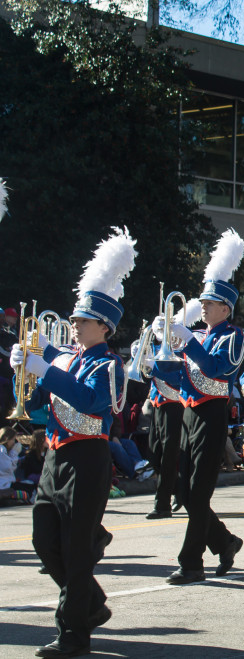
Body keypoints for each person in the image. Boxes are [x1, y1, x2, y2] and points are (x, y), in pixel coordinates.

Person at [11, 228, 137, 658]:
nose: (73, 324)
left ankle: (73, 636)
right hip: (55, 457)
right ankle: (93, 602)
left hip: (88, 459)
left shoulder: (110, 366)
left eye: (82, 320)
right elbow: (32, 401)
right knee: (44, 541)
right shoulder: (67, 358)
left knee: (74, 549)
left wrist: (44, 367)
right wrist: (21, 371)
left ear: (103, 326)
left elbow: (87, 401)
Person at [152, 228, 244, 584]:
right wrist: (159, 352)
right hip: (189, 412)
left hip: (212, 413)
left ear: (225, 308)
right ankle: (224, 541)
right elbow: (178, 379)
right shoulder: (202, 336)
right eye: (202, 303)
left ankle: (192, 562)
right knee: (185, 489)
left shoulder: (233, 337)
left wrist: (188, 341)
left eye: (209, 304)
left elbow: (215, 368)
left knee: (200, 489)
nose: (202, 307)